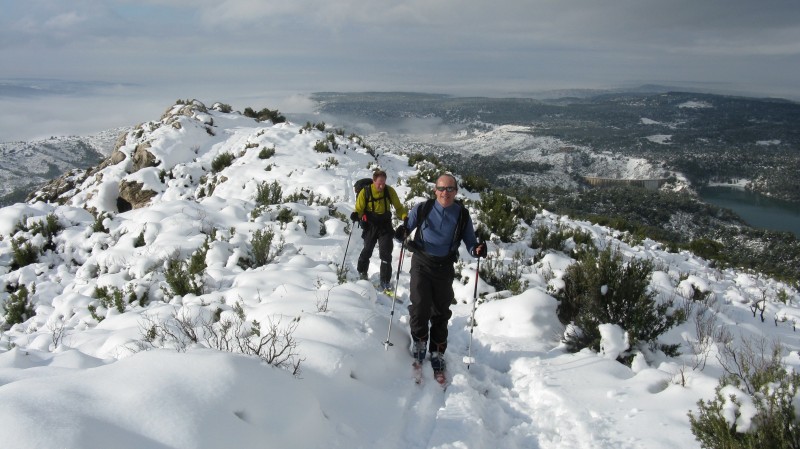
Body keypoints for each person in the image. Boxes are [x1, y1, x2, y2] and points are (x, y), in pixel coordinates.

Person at [394, 173, 486, 376]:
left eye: (450, 189)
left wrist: (477, 250)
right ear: (435, 190)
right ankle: (419, 342)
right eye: (442, 188)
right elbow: (406, 227)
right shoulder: (423, 208)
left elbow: (470, 242)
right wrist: (401, 232)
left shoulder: (461, 215)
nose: (446, 193)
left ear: (456, 191)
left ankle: (437, 351)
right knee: (419, 304)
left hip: (444, 266)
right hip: (421, 261)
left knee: (440, 310)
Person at [350, 170, 408, 290]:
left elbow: (399, 207)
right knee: (367, 250)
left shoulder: (389, 191)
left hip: (385, 225)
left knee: (386, 252)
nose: (381, 186)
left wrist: (404, 217)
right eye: (379, 184)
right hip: (370, 225)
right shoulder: (365, 192)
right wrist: (356, 215)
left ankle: (385, 280)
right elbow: (359, 208)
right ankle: (362, 273)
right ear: (374, 181)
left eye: (383, 183)